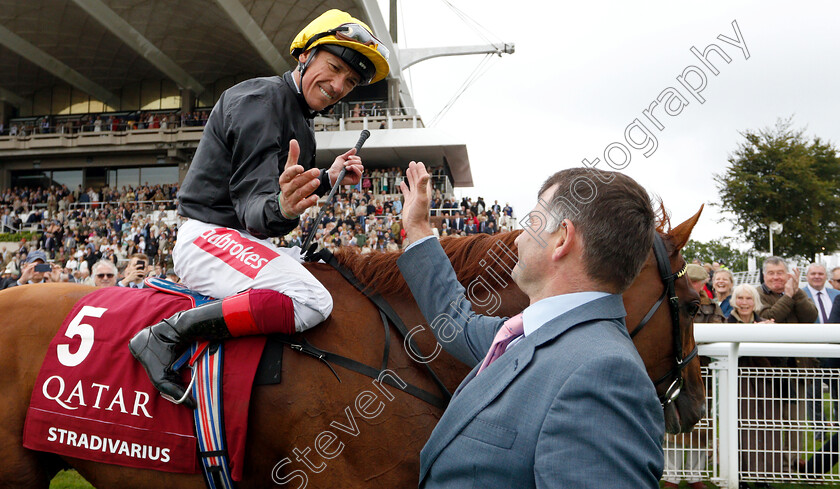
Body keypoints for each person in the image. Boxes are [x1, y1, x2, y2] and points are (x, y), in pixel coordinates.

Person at [128, 9, 390, 407]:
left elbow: (274, 194)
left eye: (350, 81)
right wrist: (283, 207)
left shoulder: (298, 117)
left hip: (239, 239)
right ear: (305, 55)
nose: (338, 85)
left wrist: (325, 176)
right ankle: (165, 335)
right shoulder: (261, 100)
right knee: (314, 302)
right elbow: (256, 207)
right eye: (334, 67)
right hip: (210, 238)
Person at [397, 162, 664, 487]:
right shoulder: (526, 334)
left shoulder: (605, 377)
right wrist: (418, 227)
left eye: (532, 223)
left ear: (562, 238)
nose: (520, 238)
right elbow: (458, 324)